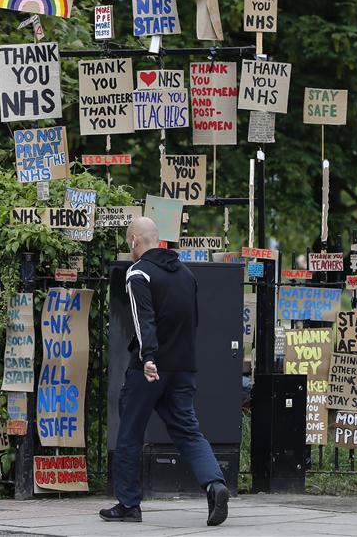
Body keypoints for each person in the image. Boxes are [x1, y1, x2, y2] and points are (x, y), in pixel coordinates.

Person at [100, 216, 229, 526]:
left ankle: (129, 504)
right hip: (183, 366)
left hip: (150, 368)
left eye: (128, 242)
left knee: (130, 430)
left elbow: (144, 320)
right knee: (188, 430)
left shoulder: (137, 274)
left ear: (133, 240)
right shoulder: (186, 274)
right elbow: (192, 321)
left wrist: (147, 357)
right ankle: (215, 484)